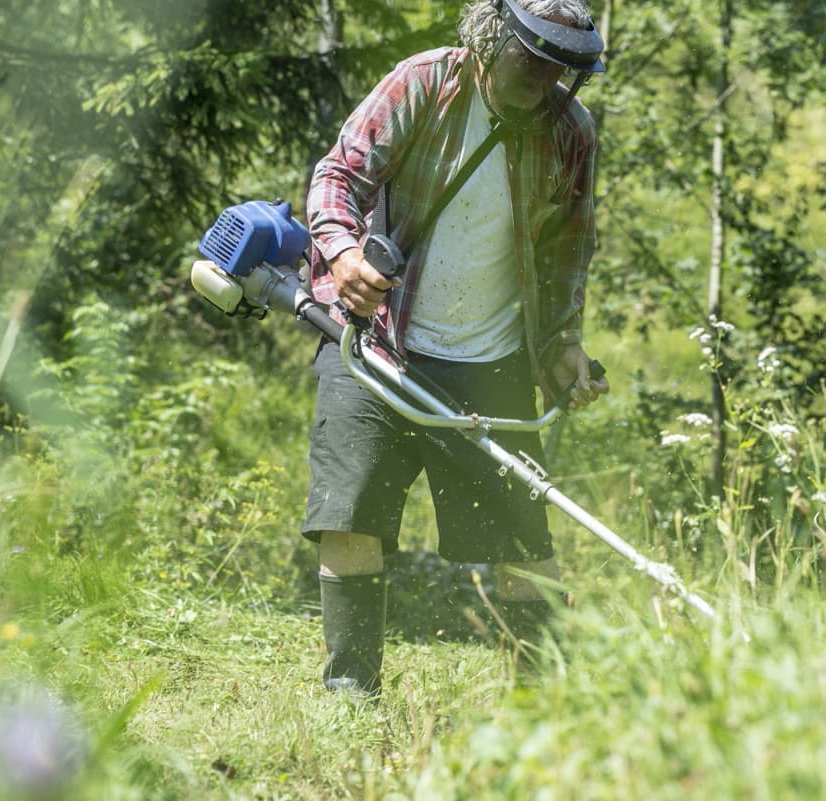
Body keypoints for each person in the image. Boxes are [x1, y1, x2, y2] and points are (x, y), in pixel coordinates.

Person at [302, 0, 610, 696]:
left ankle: (541, 703)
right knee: (350, 516)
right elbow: (339, 175)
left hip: (493, 361)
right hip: (377, 343)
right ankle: (352, 695)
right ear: (489, 39)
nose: (545, 79)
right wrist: (344, 253)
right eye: (532, 59)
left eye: (561, 67)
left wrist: (563, 347)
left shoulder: (571, 131)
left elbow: (569, 251)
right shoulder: (422, 85)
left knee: (524, 544)